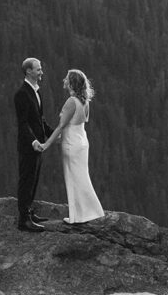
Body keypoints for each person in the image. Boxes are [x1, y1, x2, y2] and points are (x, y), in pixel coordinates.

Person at [38, 68, 104, 224]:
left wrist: (46, 144)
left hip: (71, 143)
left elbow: (62, 127)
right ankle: (86, 213)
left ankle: (78, 216)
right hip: (81, 141)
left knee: (73, 178)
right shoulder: (84, 101)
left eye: (67, 79)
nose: (64, 81)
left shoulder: (71, 102)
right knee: (82, 176)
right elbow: (79, 124)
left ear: (72, 83)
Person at [14, 56, 53, 232]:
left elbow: (40, 120)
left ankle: (29, 212)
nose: (41, 72)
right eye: (38, 69)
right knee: (26, 180)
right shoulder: (22, 94)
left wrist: (53, 135)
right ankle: (24, 220)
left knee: (34, 179)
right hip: (29, 146)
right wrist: (34, 141)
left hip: (38, 145)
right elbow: (23, 123)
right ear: (29, 71)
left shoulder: (36, 92)